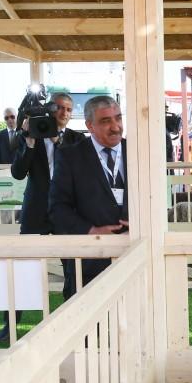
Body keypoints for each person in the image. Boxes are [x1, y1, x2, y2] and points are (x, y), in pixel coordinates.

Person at [0, 93, 83, 343]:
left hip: (67, 212)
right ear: (50, 109)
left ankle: (71, 319)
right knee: (23, 267)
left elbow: (78, 169)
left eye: (68, 109)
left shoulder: (76, 138)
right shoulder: (30, 134)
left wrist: (57, 140)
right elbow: (18, 173)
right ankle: (10, 324)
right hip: (36, 210)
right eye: (59, 108)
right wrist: (30, 140)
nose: (63, 113)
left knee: (73, 268)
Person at [49, 95, 129, 289]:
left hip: (134, 256)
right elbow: (57, 208)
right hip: (89, 261)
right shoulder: (69, 156)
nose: (115, 126)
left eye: (118, 118)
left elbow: (158, 201)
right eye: (105, 121)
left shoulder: (140, 151)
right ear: (90, 125)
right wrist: (92, 231)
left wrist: (141, 223)